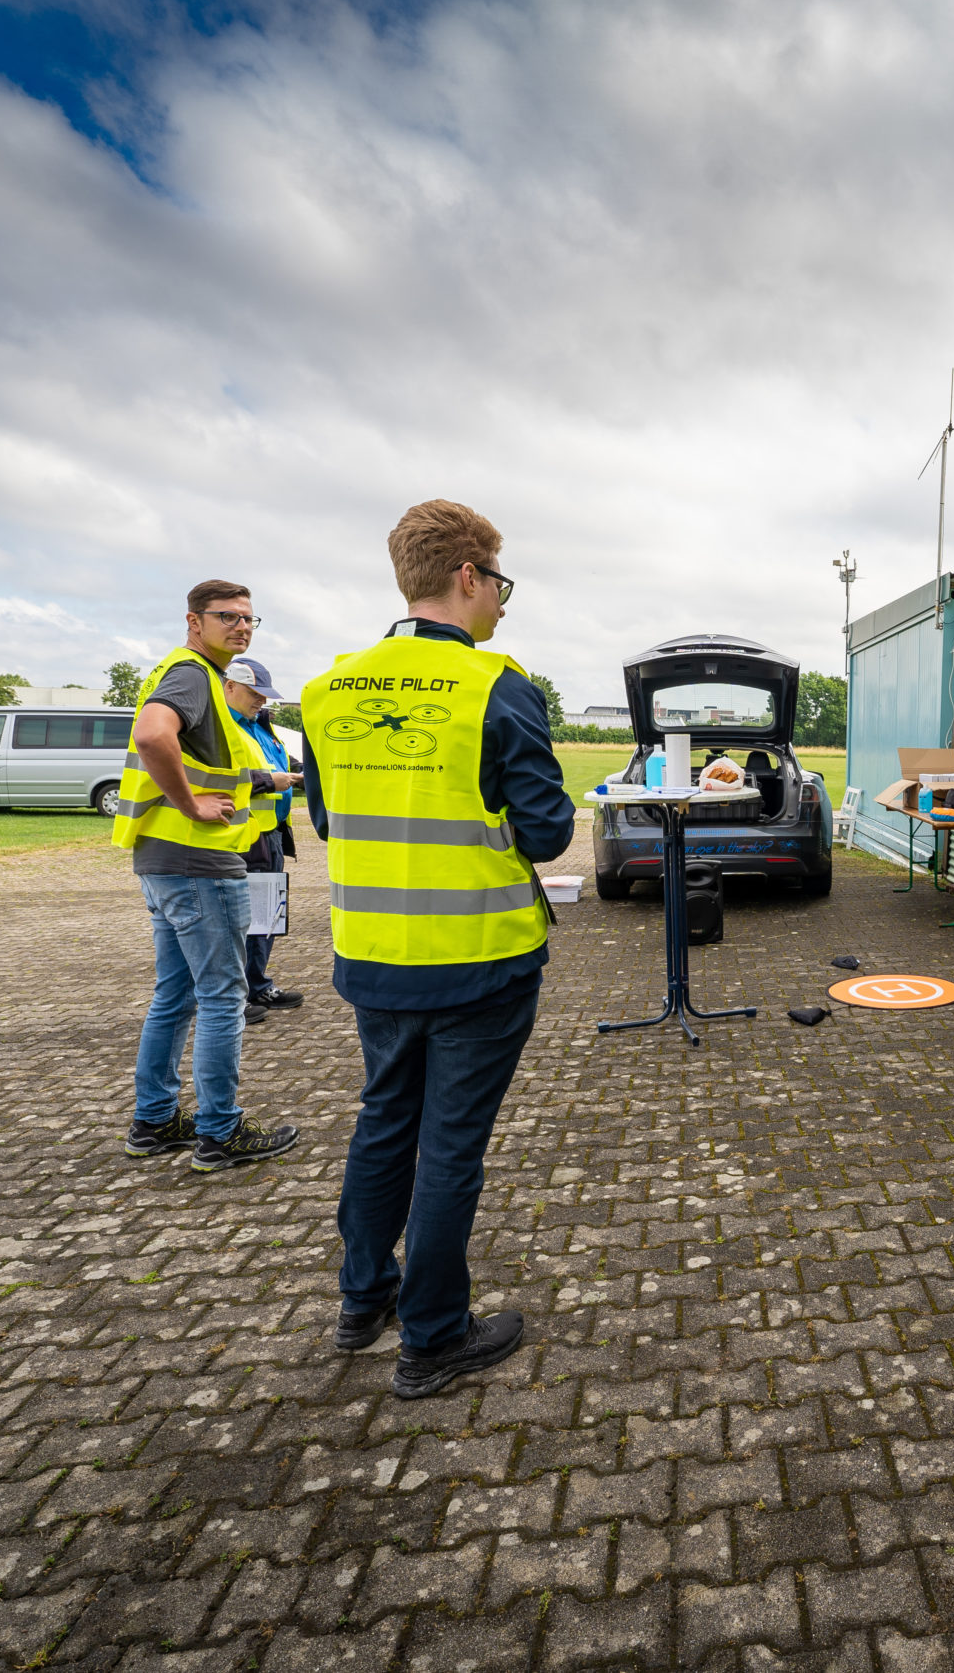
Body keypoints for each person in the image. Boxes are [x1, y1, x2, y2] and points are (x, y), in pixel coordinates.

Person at [300, 499, 573, 1400]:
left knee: (385, 1120)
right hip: (478, 958)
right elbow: (545, 831)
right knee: (451, 1146)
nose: (501, 600)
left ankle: (361, 1299)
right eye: (500, 582)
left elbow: (331, 819)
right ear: (468, 576)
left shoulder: (328, 688)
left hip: (373, 955)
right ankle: (432, 1336)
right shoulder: (497, 685)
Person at [115, 581, 306, 1173]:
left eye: (250, 618)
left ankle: (154, 1121)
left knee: (174, 995)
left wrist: (266, 782)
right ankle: (220, 1131)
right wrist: (193, 804)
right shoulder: (193, 672)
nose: (242, 627)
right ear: (194, 621)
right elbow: (152, 736)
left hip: (161, 860)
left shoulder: (187, 676)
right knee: (223, 997)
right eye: (228, 617)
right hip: (199, 862)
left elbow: (212, 764)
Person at [224, 656, 305, 1013]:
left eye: (264, 695)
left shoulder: (262, 725)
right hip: (242, 837)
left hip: (271, 834)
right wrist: (268, 781)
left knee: (268, 916)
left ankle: (257, 985)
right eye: (253, 692)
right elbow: (219, 777)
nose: (261, 700)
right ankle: (232, 994)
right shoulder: (220, 727)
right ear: (229, 687)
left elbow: (279, 763)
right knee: (241, 919)